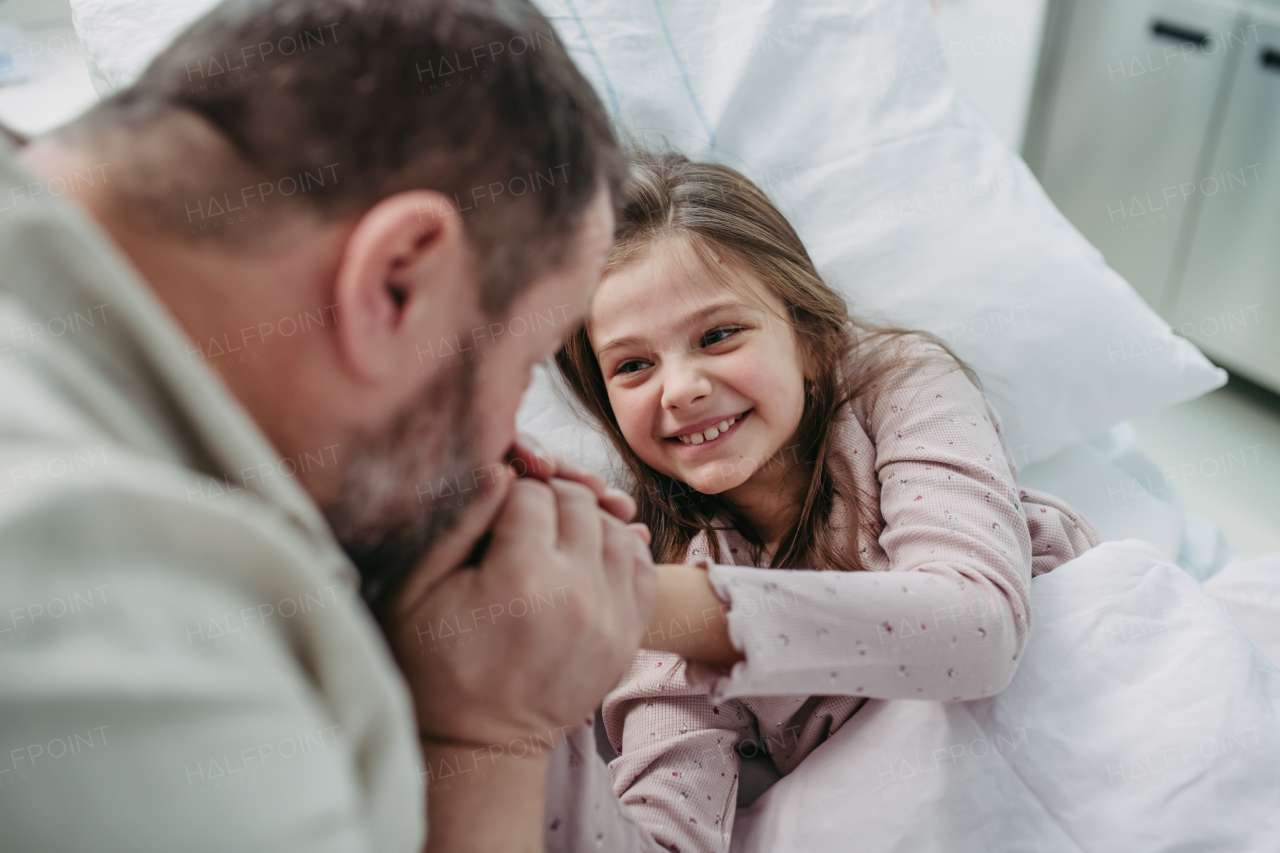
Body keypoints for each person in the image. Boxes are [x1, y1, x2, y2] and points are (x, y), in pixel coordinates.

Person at [0, 1, 671, 851]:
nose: (514, 444)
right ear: (398, 281)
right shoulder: (130, 640)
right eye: (527, 365)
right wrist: (488, 736)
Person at [552, 151, 1105, 853]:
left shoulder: (897, 386)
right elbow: (669, 824)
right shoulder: (671, 562)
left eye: (718, 335)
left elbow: (981, 632)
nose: (681, 387)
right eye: (633, 365)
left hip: (1075, 707)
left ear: (810, 341)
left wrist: (671, 608)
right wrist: (523, 734)